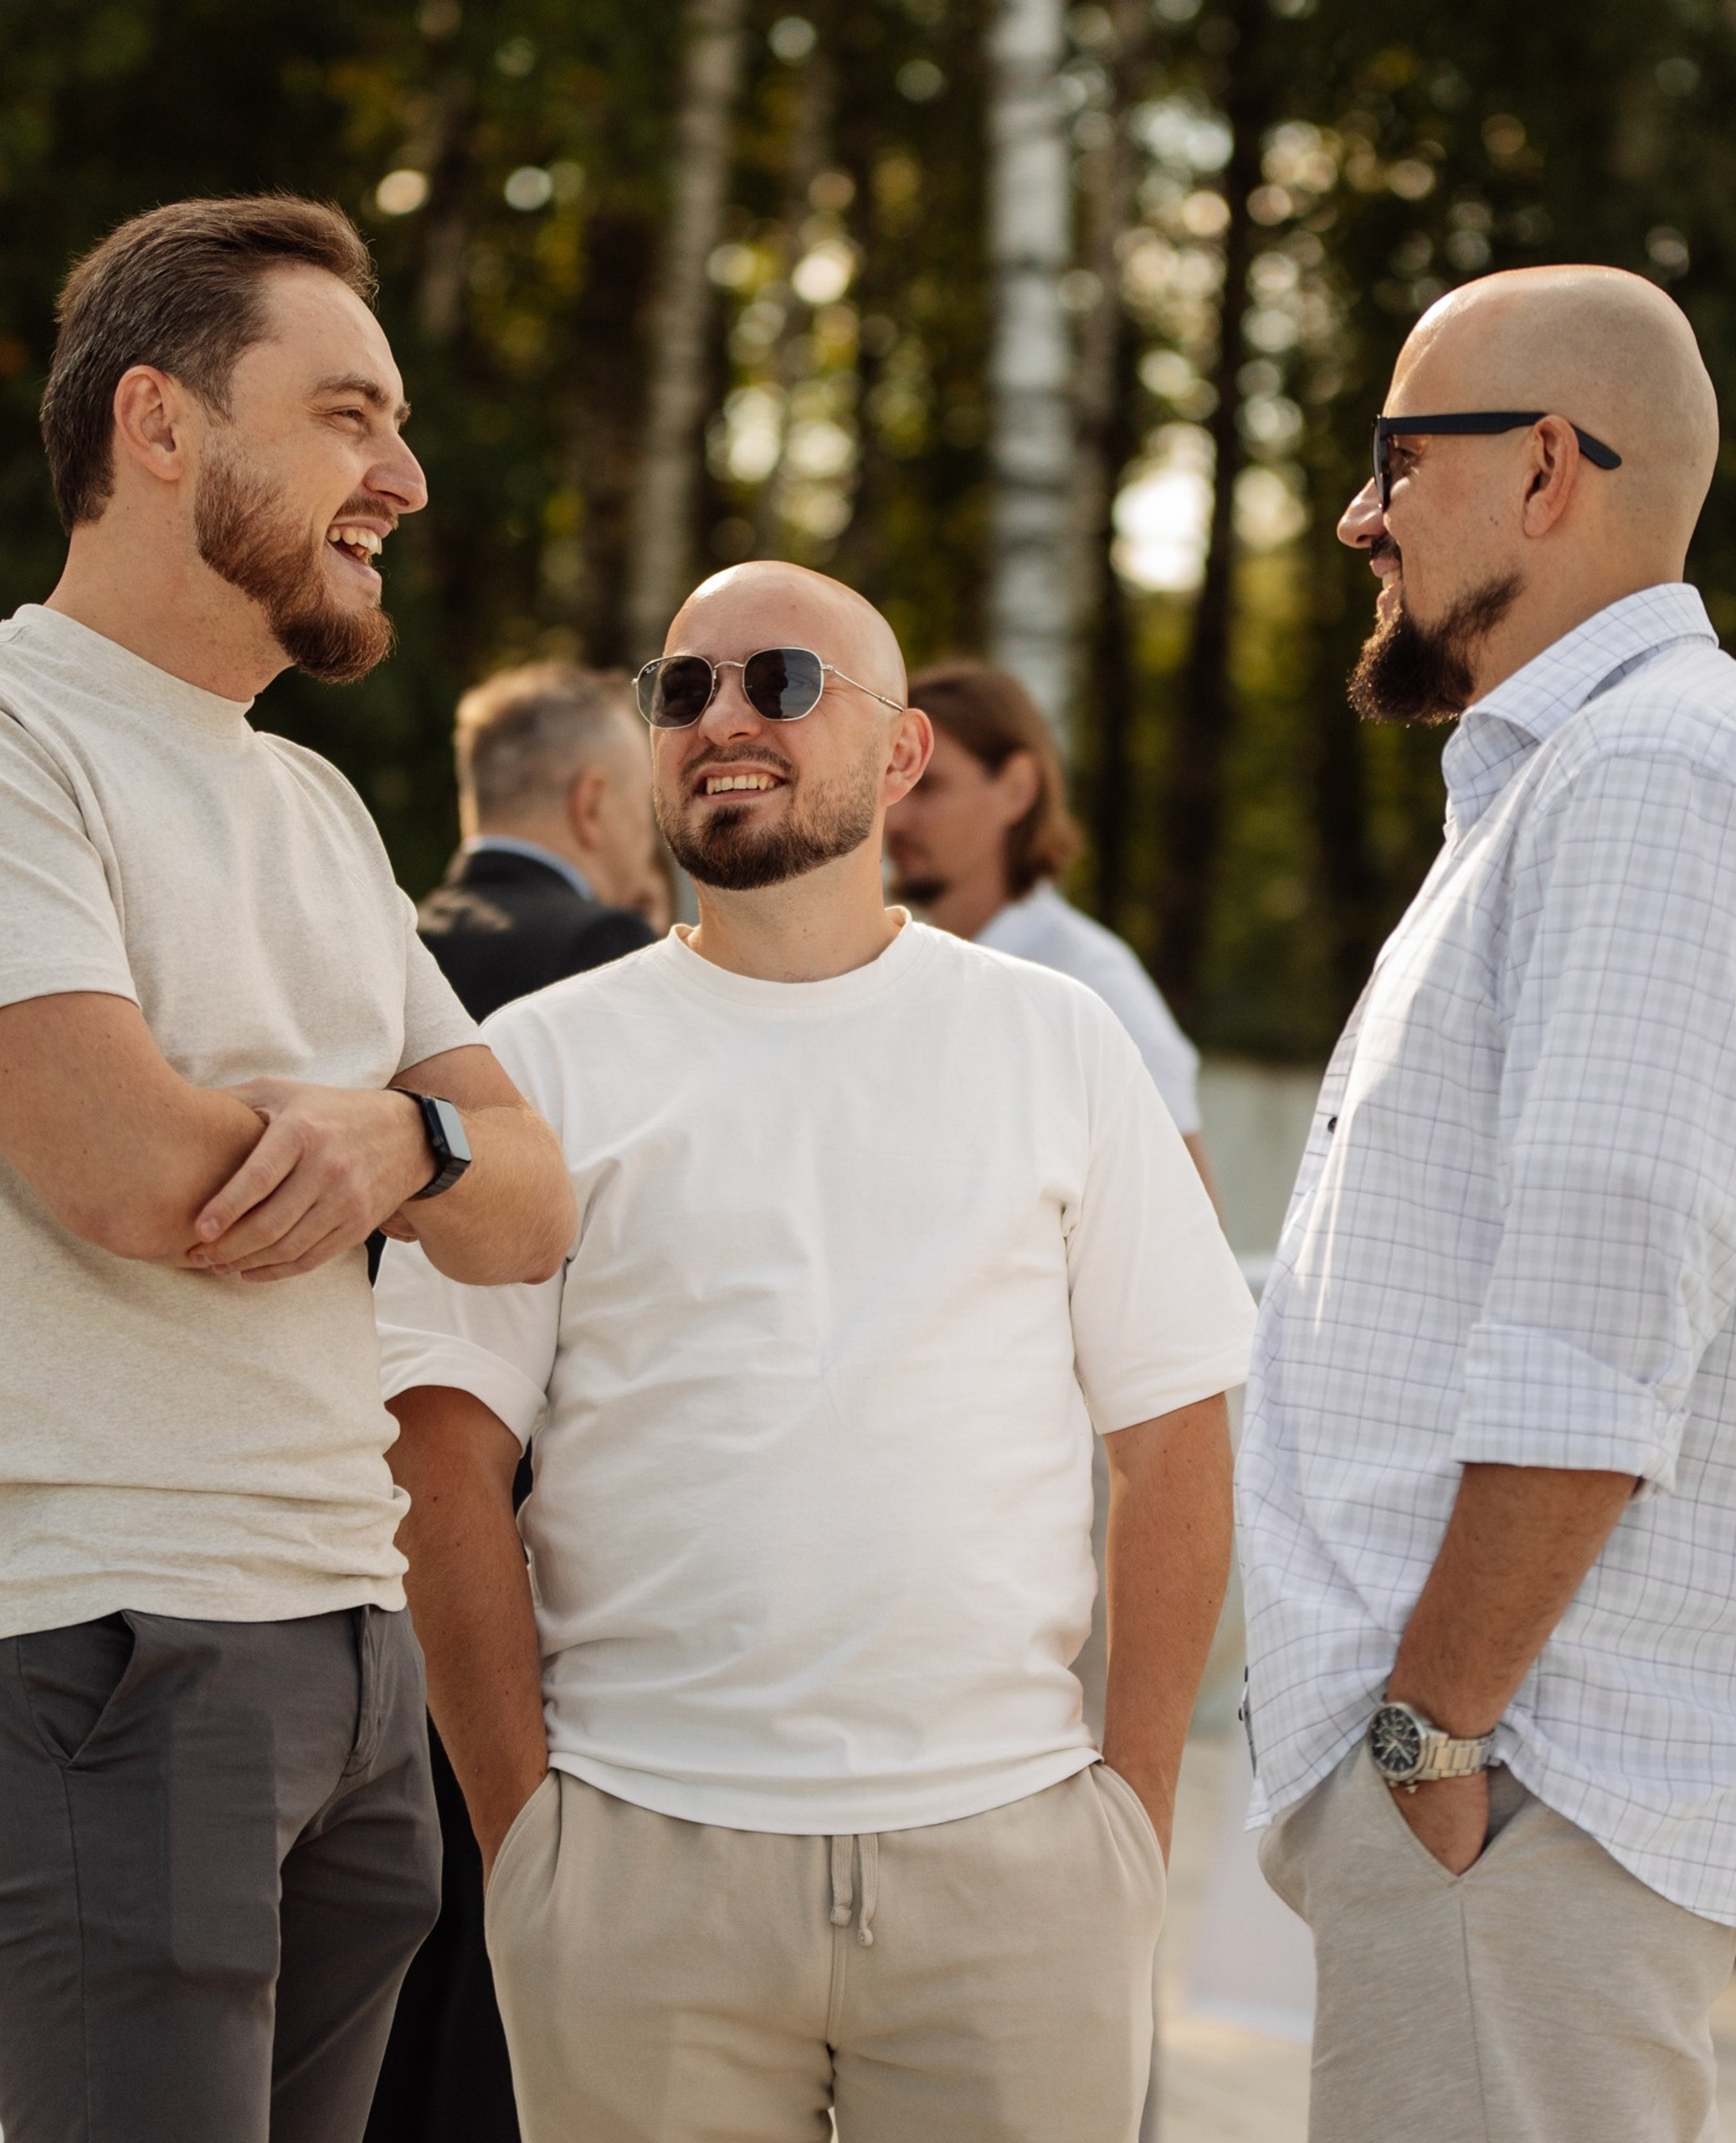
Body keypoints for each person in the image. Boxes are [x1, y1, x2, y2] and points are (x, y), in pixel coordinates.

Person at [375, 560, 1254, 2143]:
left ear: (902, 752)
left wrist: (1129, 1819)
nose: (725, 718)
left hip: (1012, 1872)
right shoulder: (537, 1066)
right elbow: (441, 1452)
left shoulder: (1058, 1039)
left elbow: (1176, 1433)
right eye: (683, 688)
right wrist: (530, 1845)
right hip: (641, 1875)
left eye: (781, 681)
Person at [1235, 265, 1736, 2143]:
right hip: (1514, 1794)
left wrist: (1431, 1730)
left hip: (1520, 1786)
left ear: (1546, 468)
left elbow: (1594, 1321)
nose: (1360, 515)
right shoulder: (1593, 778)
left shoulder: (1651, 775)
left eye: (1398, 455)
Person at [0, 198, 578, 2143]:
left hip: (352, 1643)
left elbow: (531, 1203)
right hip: (113, 1638)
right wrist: (409, 1151)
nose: (402, 476)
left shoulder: (313, 801)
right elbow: (125, 1166)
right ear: (159, 424)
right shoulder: (1, 738)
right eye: (345, 416)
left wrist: (400, 1132)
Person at [372, 660, 659, 2143]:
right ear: (598, 801)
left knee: (371, 1952)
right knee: (506, 1973)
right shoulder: (603, 961)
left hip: (339, 1514)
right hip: (511, 1524)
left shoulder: (378, 950)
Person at [885, 659, 1212, 1190]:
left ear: (1016, 788)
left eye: (928, 786)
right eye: (891, 783)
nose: (894, 816)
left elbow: (1187, 1220)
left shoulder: (1093, 980)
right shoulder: (886, 970)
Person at [415, 662, 661, 1024]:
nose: (650, 841)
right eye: (644, 807)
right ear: (591, 805)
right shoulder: (603, 944)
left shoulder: (405, 944)